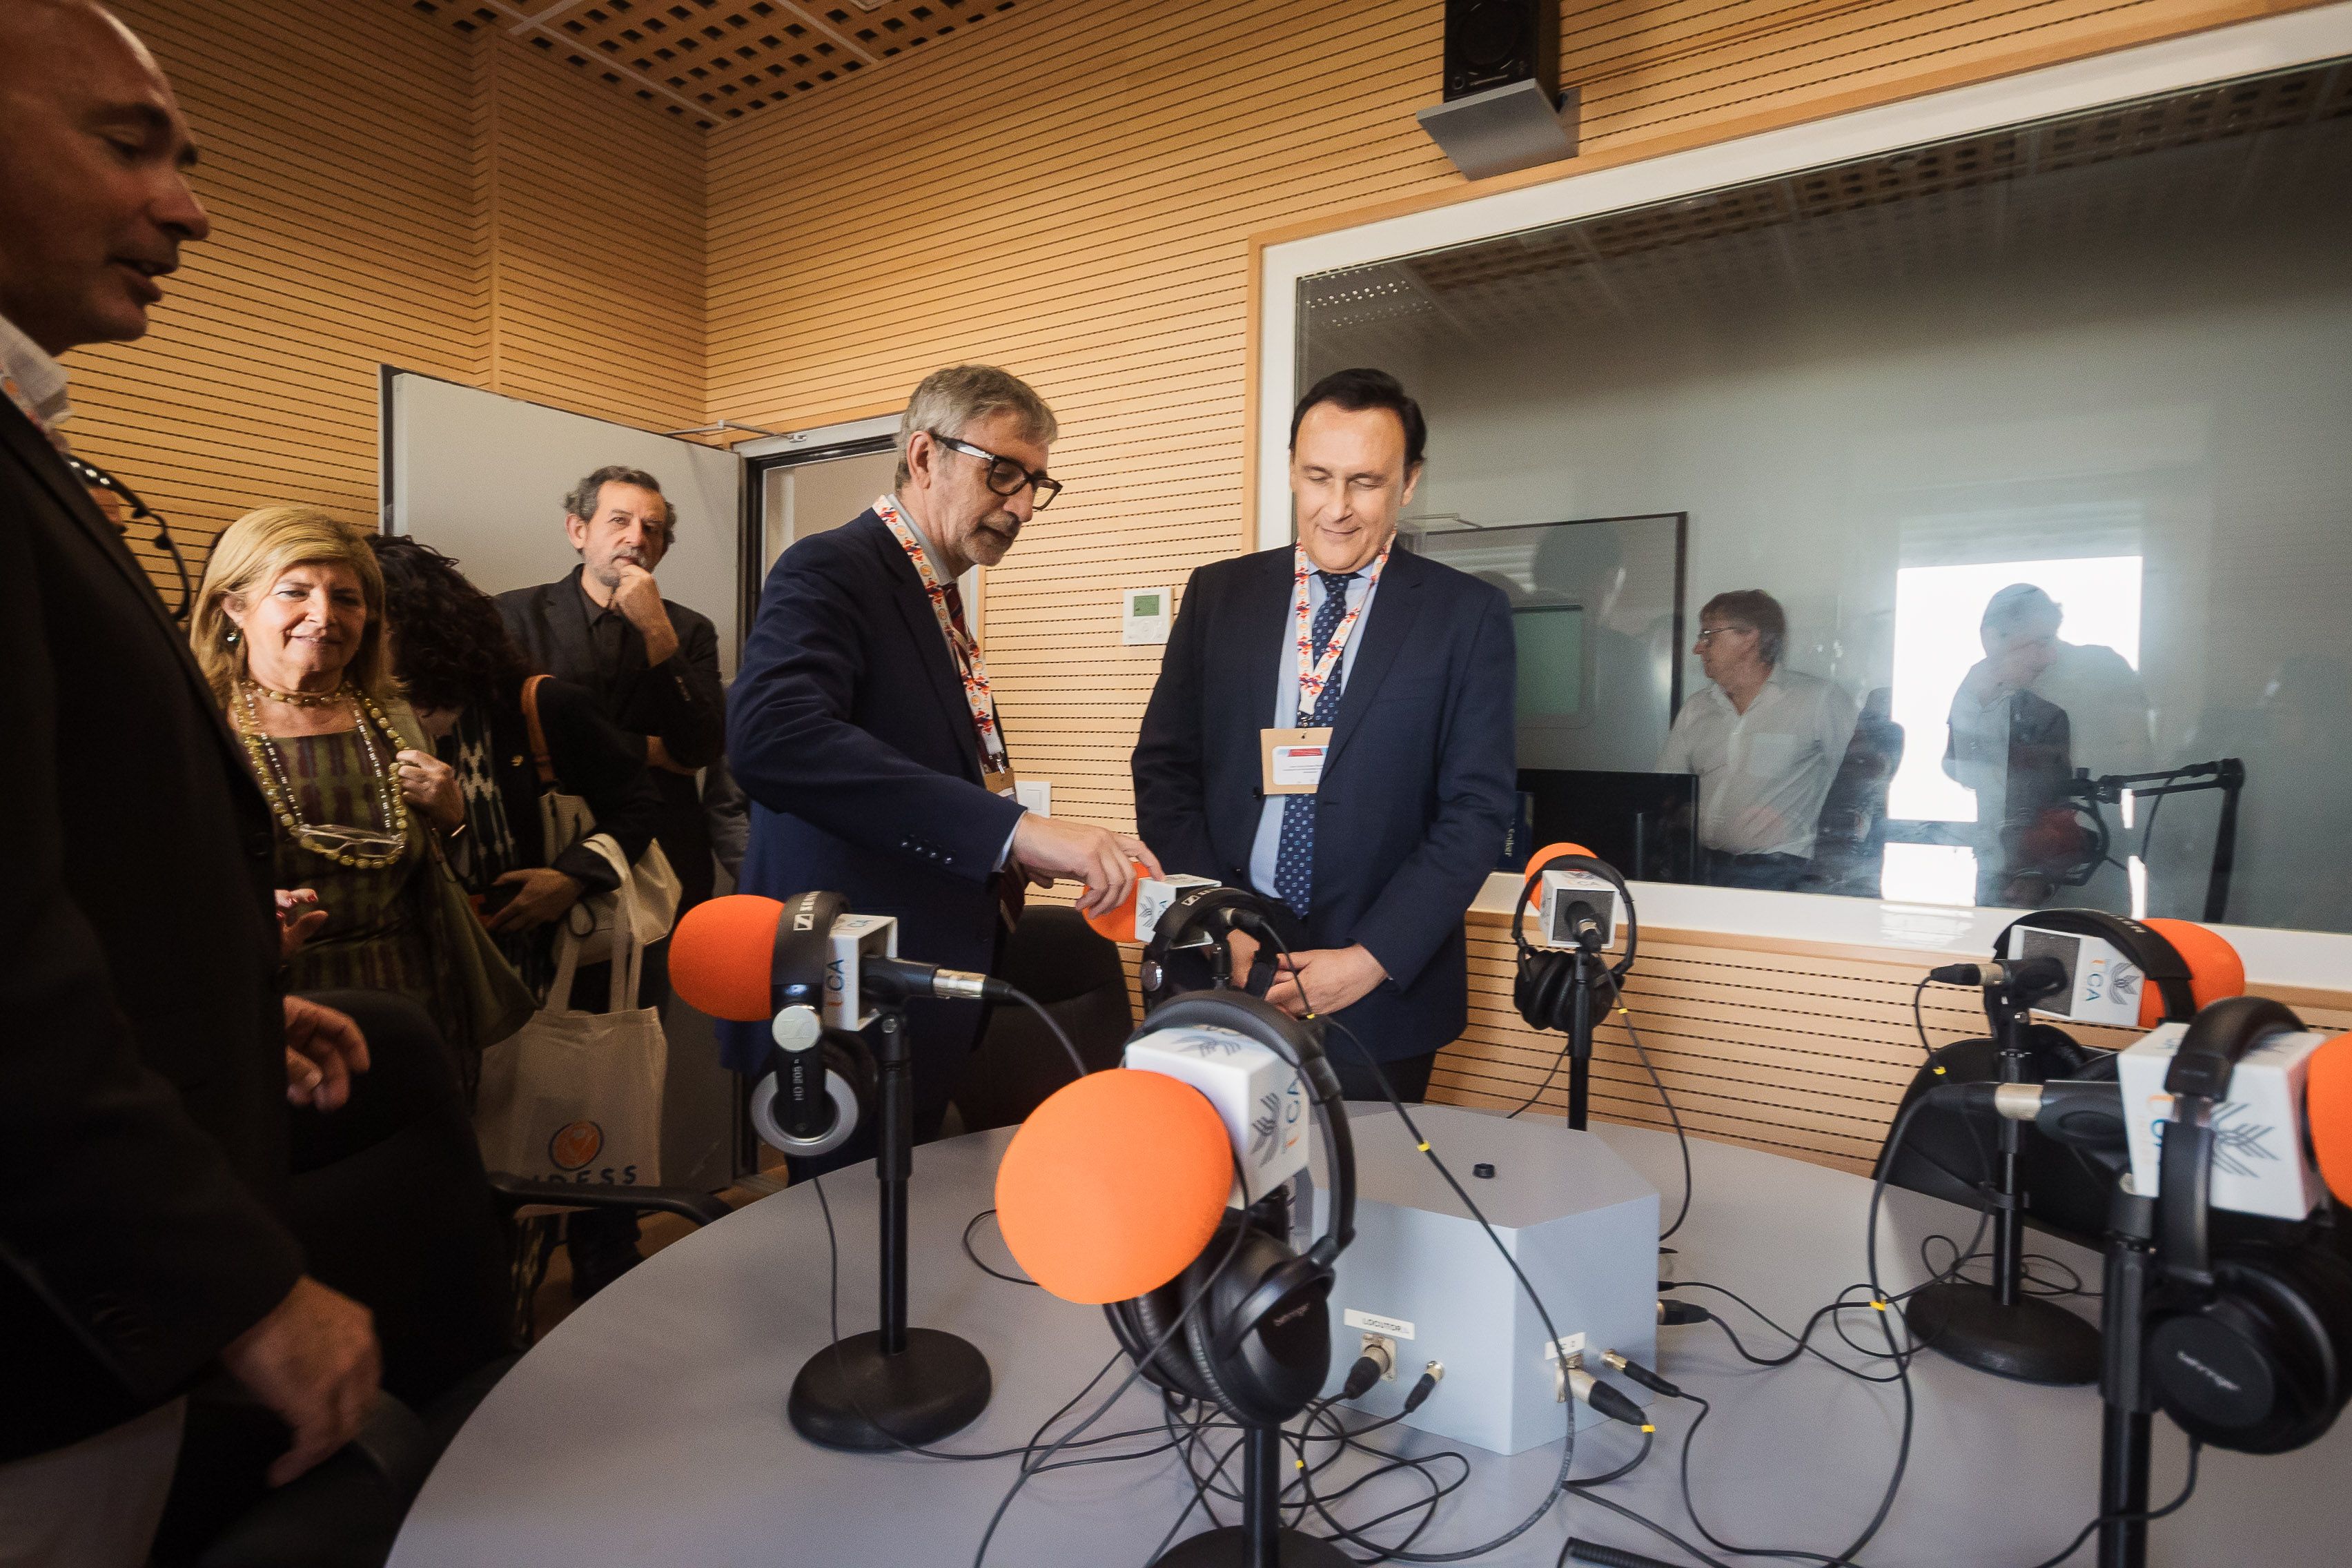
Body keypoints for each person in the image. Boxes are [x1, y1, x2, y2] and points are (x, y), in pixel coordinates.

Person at [0, 4, 377, 1556]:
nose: (189, 206)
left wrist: (221, 986)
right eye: (125, 140)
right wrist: (235, 1282)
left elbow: (79, 844)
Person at [728, 364, 1157, 1150]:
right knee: (858, 1253)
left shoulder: (938, 596)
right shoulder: (833, 568)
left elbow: (925, 768)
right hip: (847, 997)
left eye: (1037, 484)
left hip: (927, 981)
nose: (1024, 505)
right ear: (924, 456)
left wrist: (1014, 853)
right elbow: (774, 738)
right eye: (1004, 473)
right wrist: (1017, 830)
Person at [1133, 367, 1517, 1102]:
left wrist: (1370, 959)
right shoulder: (1219, 595)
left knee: (1365, 1200)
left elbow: (1476, 810)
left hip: (1379, 992)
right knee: (1218, 1194)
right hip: (1222, 964)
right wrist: (1215, 919)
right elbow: (1165, 767)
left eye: (1366, 482)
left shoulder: (1465, 616)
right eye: (1318, 477)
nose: (1336, 509)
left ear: (1409, 483)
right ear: (1291, 472)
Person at [372, 533, 668, 1299]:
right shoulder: (362, 719)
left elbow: (640, 803)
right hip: (433, 990)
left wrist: (570, 879)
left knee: (561, 1167)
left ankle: (578, 1321)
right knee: (461, 1182)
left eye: (366, 607)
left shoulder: (539, 706)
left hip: (548, 980)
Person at [193, 507, 536, 1085]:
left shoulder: (393, 715)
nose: (323, 617)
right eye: (294, 592)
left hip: (415, 1002)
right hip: (271, 1014)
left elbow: (439, 875)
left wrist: (452, 819)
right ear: (235, 605)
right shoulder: (198, 722)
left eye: (346, 599)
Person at [498, 464, 726, 1006]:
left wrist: (655, 628)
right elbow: (509, 737)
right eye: (619, 521)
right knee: (531, 1039)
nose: (636, 538)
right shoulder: (513, 616)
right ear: (579, 532)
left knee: (635, 1039)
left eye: (652, 529)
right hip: (543, 856)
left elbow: (700, 748)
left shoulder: (687, 629)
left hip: (658, 866)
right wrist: (646, 749)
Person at [1945, 583, 2151, 907]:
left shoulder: (2101, 670)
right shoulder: (1979, 689)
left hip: (2088, 874)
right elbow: (1963, 771)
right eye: (2040, 641)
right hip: (2002, 874)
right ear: (1992, 638)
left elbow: (2139, 759)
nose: (2051, 655)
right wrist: (1977, 702)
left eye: (2049, 639)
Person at [1656, 589, 1859, 892]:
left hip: (1784, 874)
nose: (1699, 648)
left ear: (1750, 637)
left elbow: (1860, 783)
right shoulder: (1696, 709)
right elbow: (1665, 790)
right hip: (1702, 871)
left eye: (1709, 636)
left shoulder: (1818, 701)